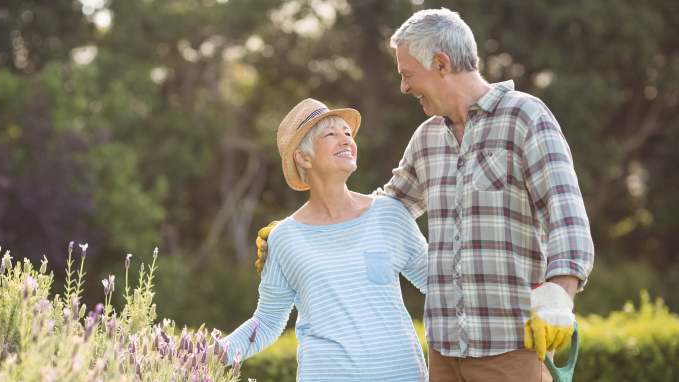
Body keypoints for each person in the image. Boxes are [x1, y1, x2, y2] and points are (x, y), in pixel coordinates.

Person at [257, 8, 594, 382]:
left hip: (509, 346)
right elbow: (388, 206)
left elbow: (567, 216)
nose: (403, 87)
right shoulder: (428, 139)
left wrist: (559, 293)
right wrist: (306, 227)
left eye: (407, 75)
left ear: (441, 63)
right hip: (444, 354)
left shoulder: (525, 118)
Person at [222, 98, 430, 381]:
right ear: (303, 157)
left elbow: (441, 286)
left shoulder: (388, 214)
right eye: (331, 134)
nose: (346, 140)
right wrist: (208, 354)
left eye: (347, 133)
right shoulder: (284, 238)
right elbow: (267, 322)